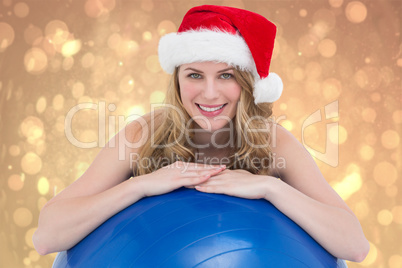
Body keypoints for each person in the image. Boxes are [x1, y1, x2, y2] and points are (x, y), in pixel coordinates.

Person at [33, 5, 369, 263]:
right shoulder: (144, 134)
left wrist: (270, 187)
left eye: (226, 76)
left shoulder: (272, 141)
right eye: (195, 75)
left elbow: (355, 246)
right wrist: (138, 186)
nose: (209, 94)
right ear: (177, 80)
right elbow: (47, 237)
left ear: (248, 84)